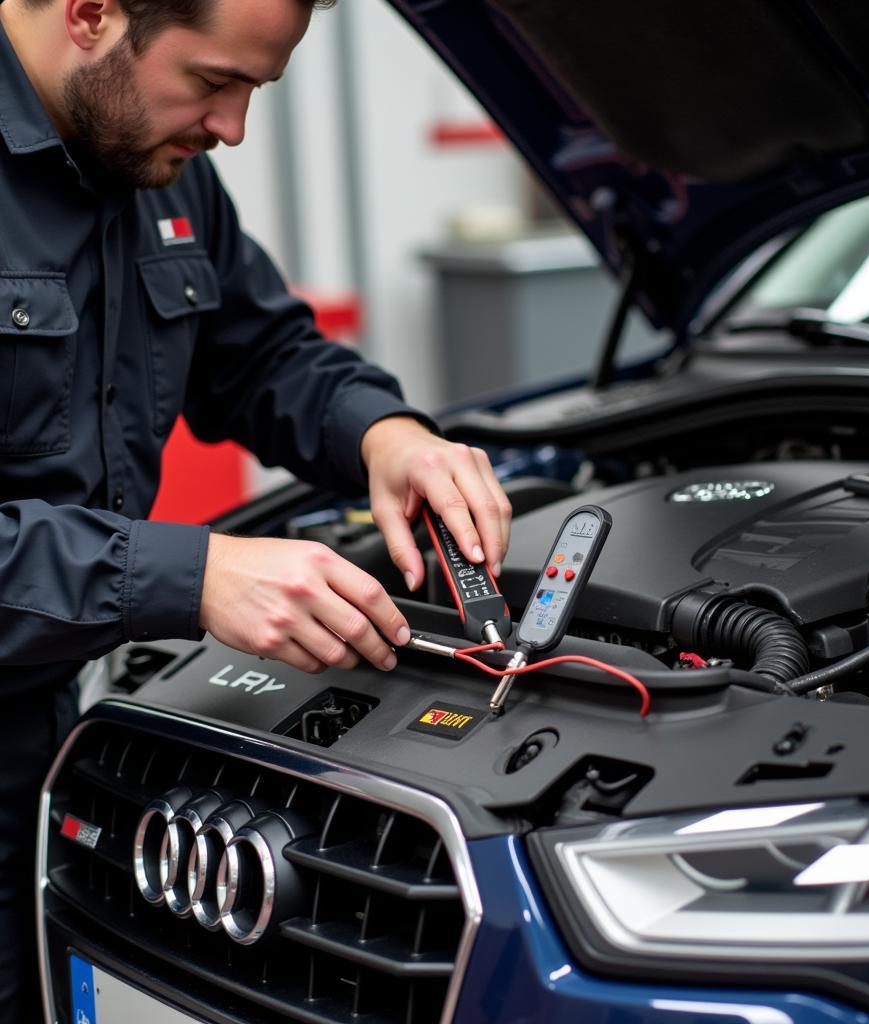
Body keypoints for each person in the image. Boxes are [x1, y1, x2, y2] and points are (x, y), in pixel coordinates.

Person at [0, 0, 513, 1017]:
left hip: (46, 746)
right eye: (212, 81)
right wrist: (192, 575)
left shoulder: (153, 159)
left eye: (254, 90)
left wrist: (385, 435)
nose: (231, 129)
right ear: (93, 14)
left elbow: (265, 352)